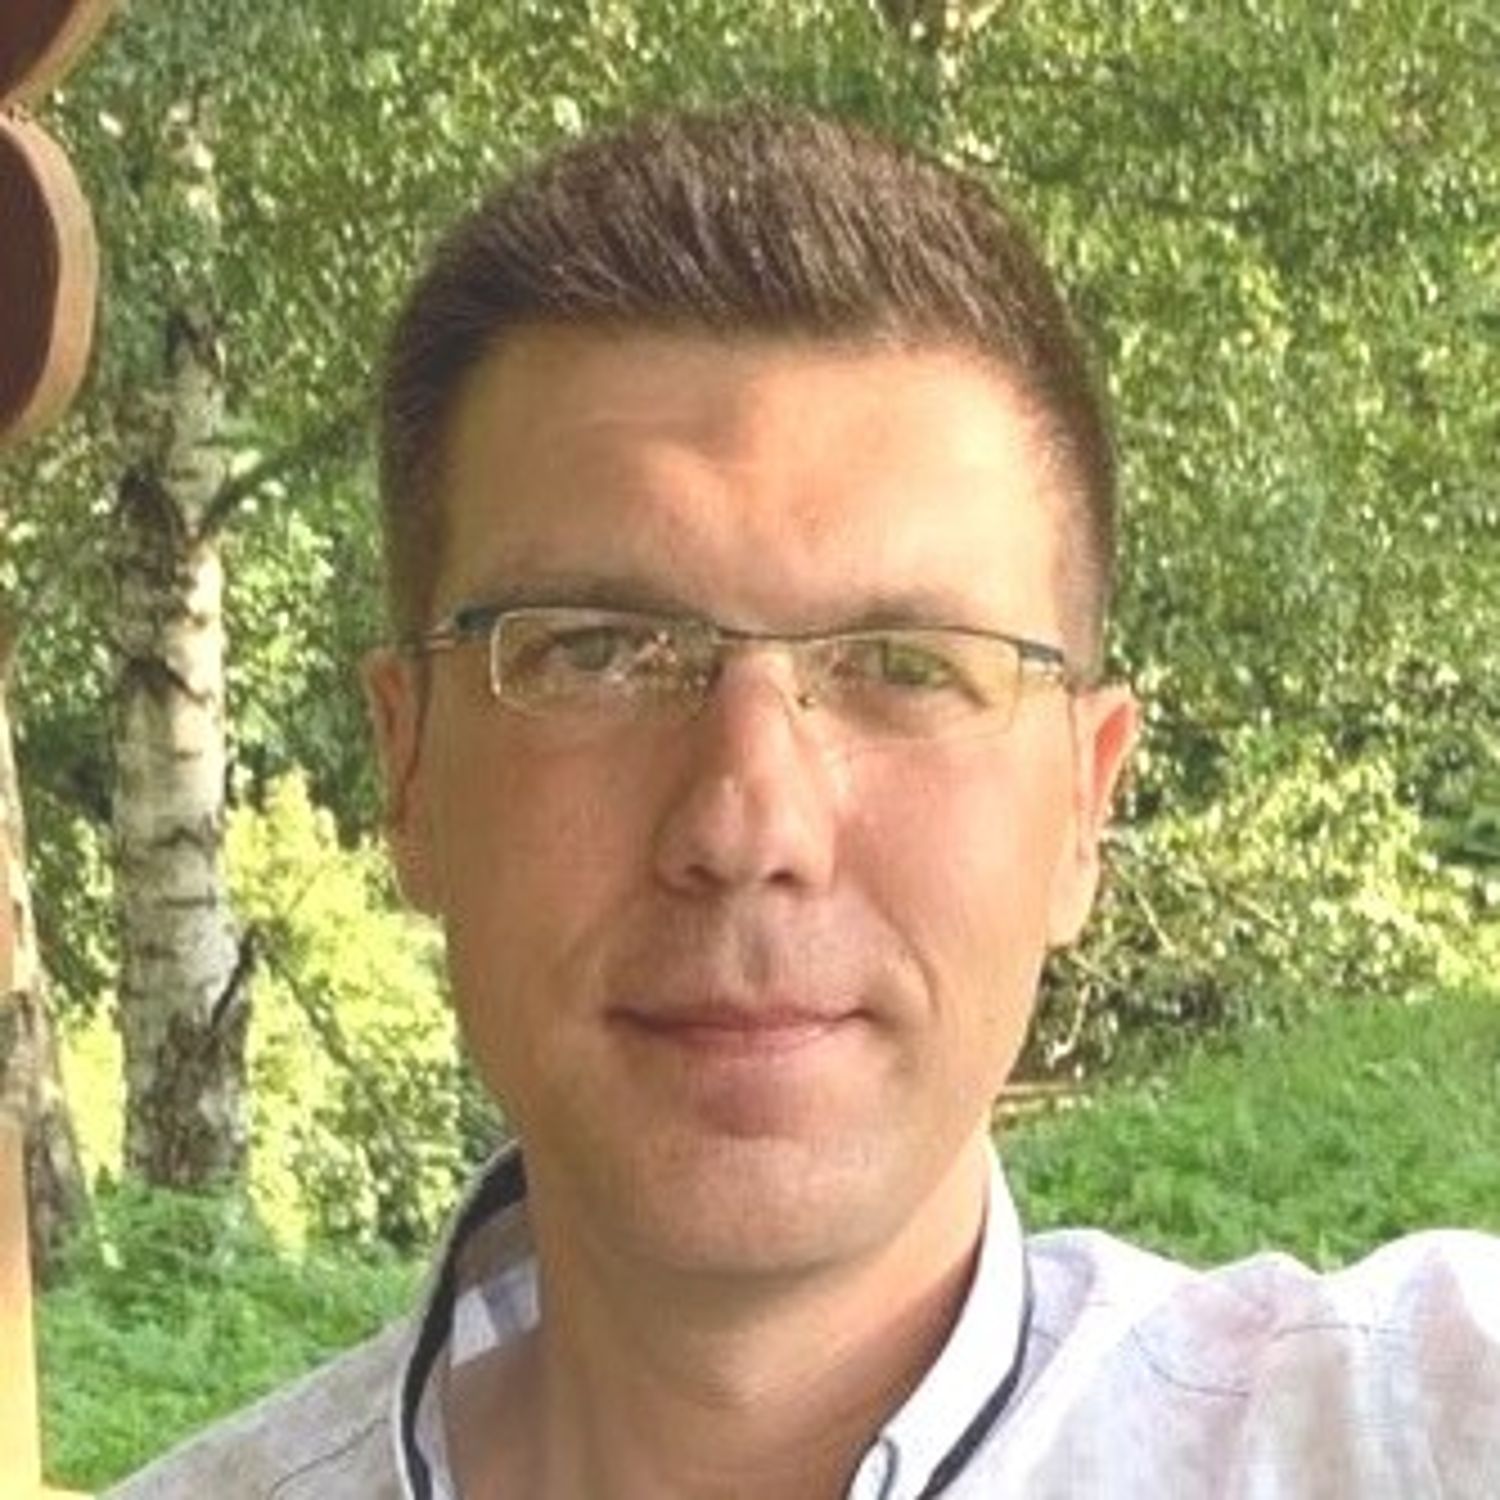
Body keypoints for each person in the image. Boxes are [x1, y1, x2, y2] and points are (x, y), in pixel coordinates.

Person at [109, 106, 1499, 1500]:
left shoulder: (1405, 1434)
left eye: (906, 666)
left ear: (1085, 805)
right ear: (409, 768)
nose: (747, 826)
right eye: (597, 652)